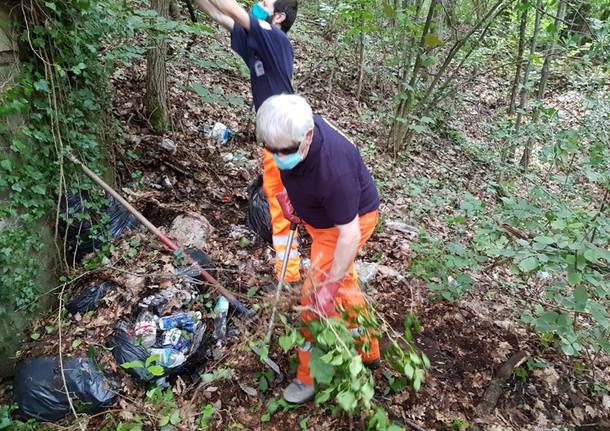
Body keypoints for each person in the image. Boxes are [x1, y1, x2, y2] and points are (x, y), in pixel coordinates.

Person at [255, 94, 381, 403]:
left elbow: (348, 236)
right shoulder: (290, 133)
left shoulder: (333, 171)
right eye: (271, 149)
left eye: (283, 151)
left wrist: (327, 289)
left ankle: (306, 377)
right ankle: (368, 348)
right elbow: (285, 170)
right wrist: (289, 200)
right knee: (345, 286)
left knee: (315, 297)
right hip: (320, 216)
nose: (277, 156)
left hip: (347, 225)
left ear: (307, 138)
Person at [194, 0, 302, 285]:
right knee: (279, 201)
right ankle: (291, 270)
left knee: (283, 205)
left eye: (265, 2)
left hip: (287, 137)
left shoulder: (275, 39)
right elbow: (218, 13)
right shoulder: (258, 41)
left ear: (278, 16)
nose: (257, 3)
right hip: (274, 138)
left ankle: (291, 275)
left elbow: (232, 9)